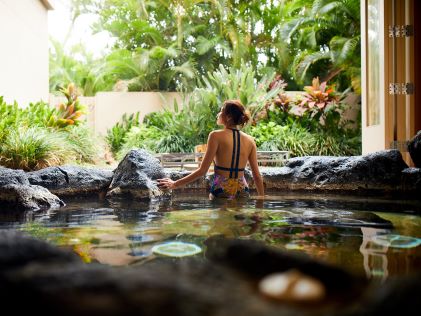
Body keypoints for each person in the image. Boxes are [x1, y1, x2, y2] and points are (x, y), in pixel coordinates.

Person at [157, 100, 264, 199]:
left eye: (221, 111)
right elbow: (257, 176)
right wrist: (261, 202)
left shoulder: (215, 136)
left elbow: (202, 171)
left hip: (221, 189)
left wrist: (174, 184)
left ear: (229, 117)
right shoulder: (250, 140)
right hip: (242, 190)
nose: (218, 114)